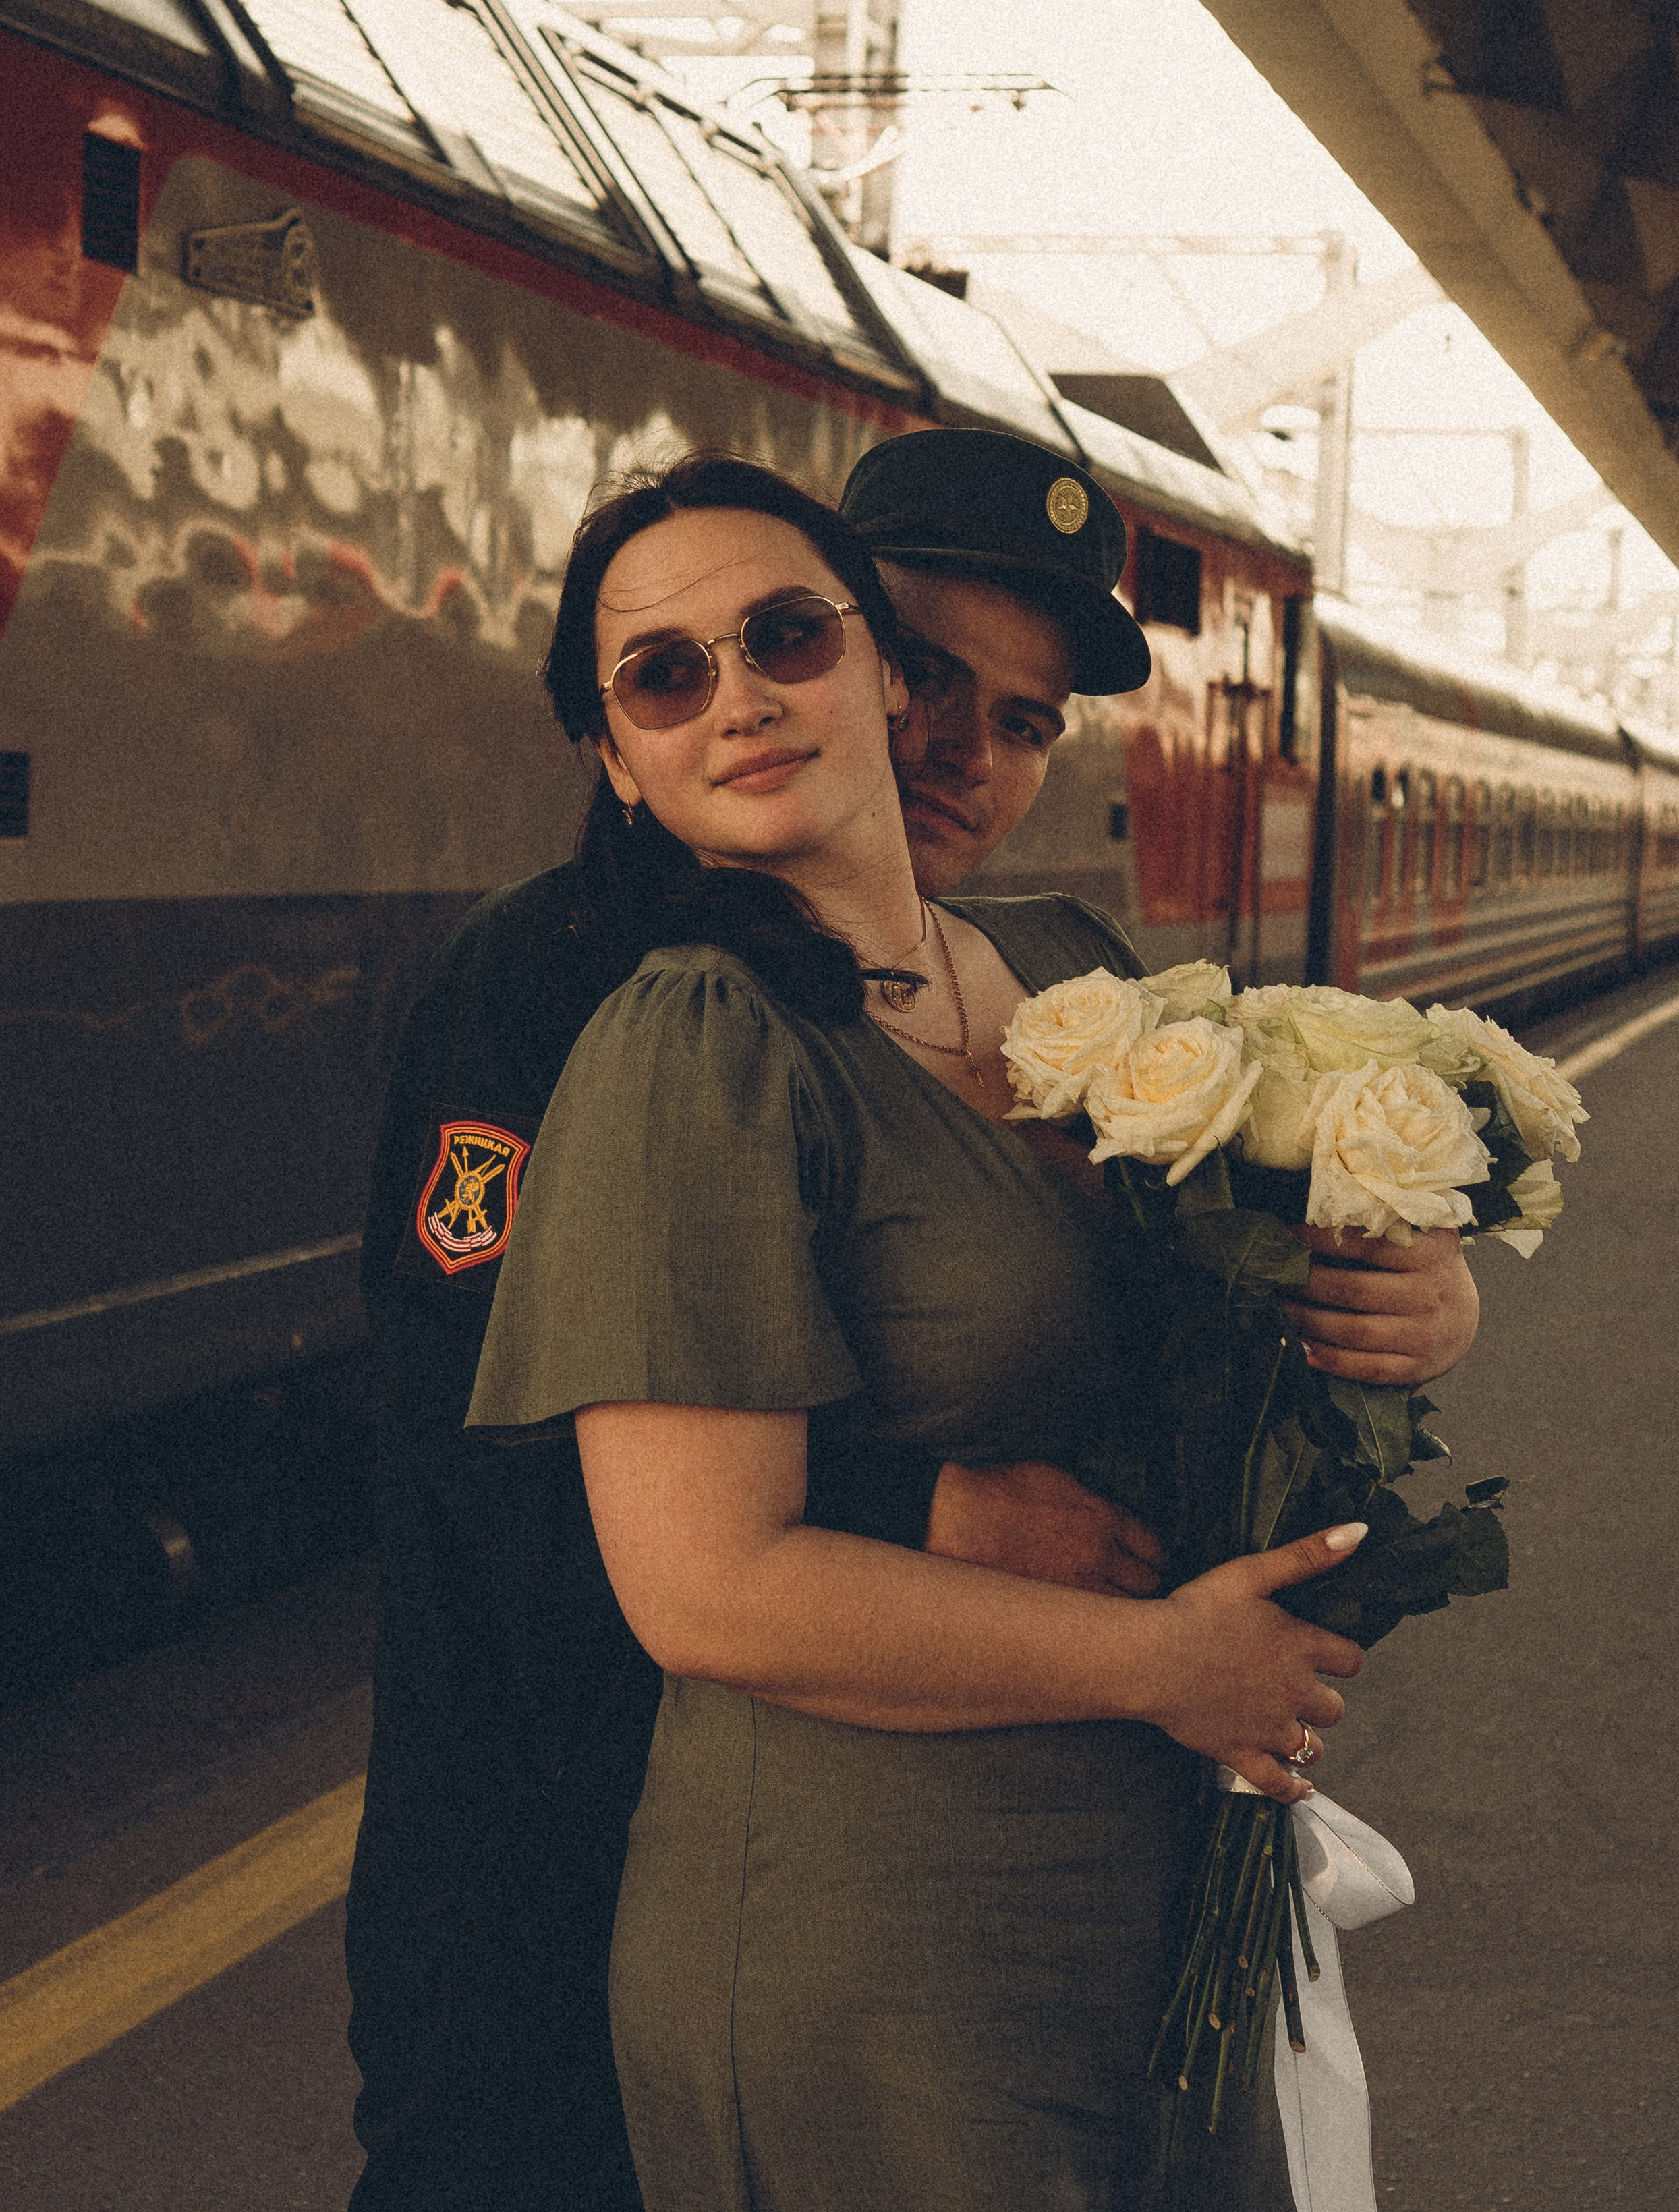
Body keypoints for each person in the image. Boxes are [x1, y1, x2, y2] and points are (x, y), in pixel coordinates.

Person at [346, 436, 1477, 2211]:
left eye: (1026, 720)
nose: (966, 748)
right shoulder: (581, 991)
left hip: (1070, 1870)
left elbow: (1189, 1321)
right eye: (933, 675)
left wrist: (1404, 1284)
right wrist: (923, 1518)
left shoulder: (1053, 969)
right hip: (570, 1844)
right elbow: (493, 1444)